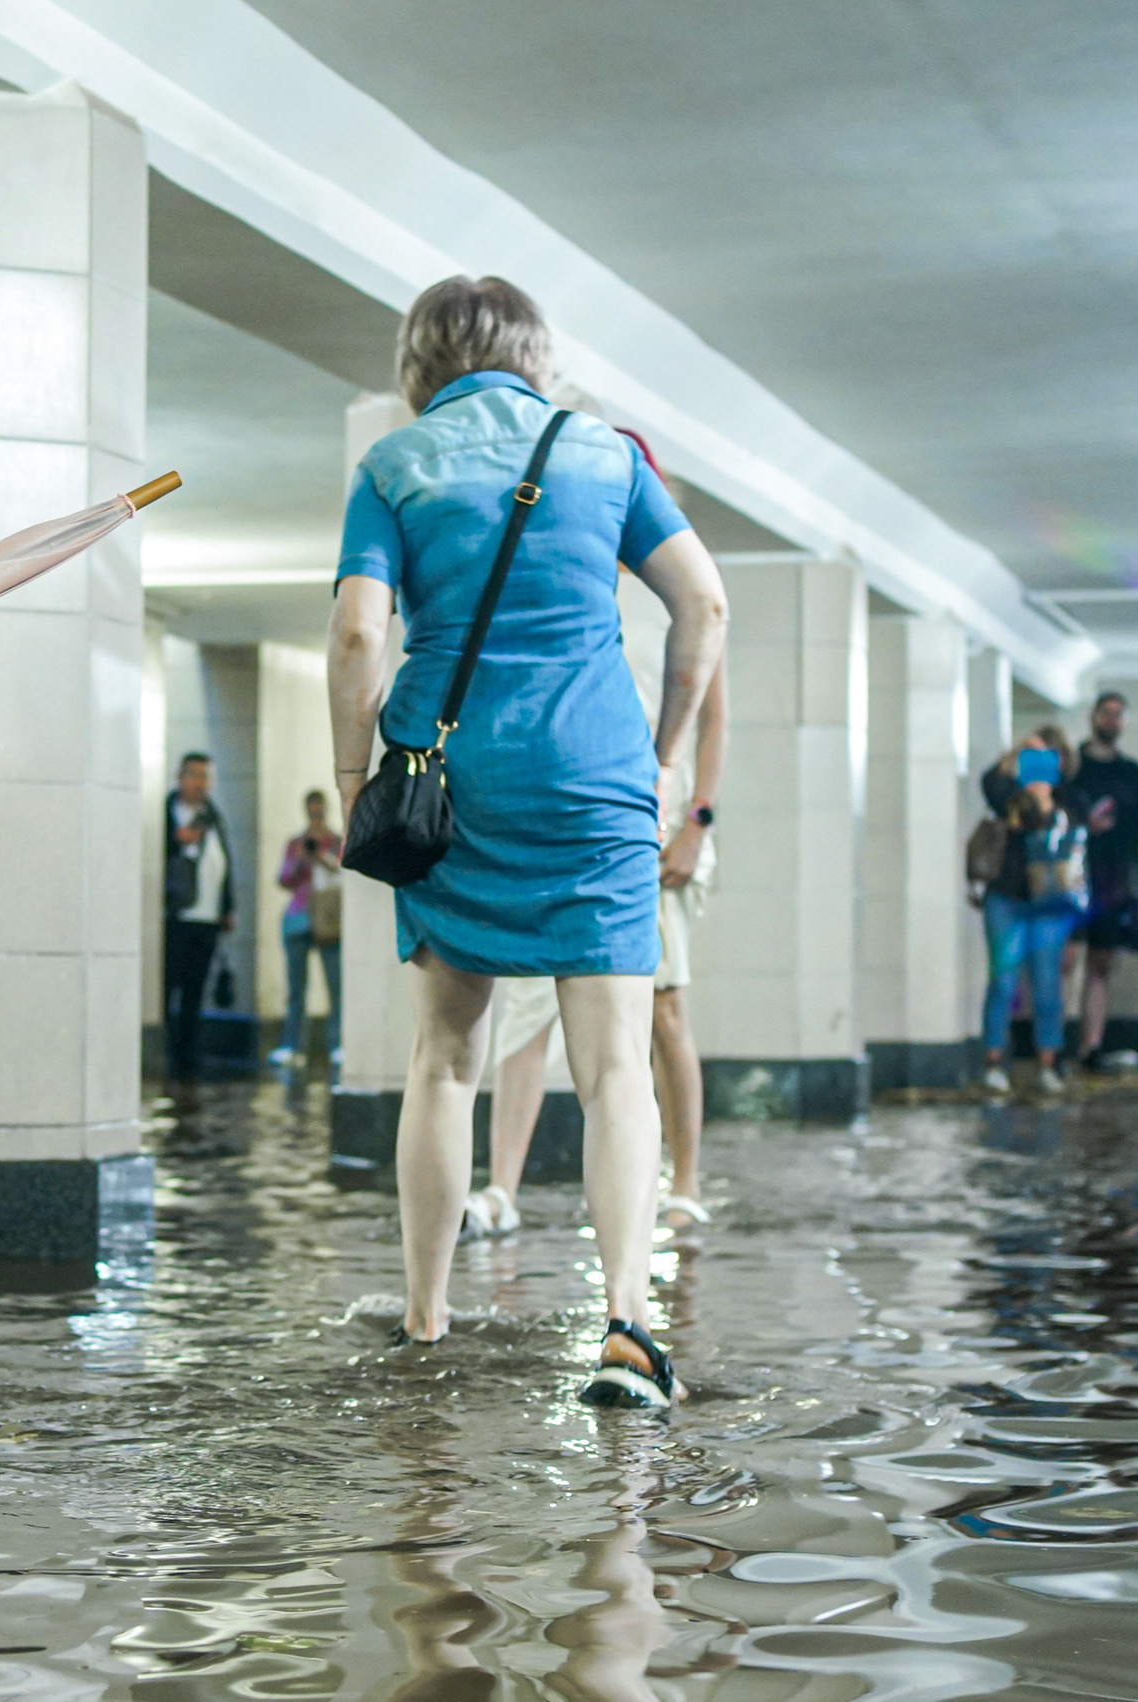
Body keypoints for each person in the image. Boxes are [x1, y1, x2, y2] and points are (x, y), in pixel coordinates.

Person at [327, 274, 728, 1408]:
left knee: (445, 1060)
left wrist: (354, 778)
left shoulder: (392, 467)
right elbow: (703, 604)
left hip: (448, 782)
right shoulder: (610, 456)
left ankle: (424, 1315)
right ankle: (627, 1327)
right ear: (537, 356)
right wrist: (661, 754)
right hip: (594, 776)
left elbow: (358, 634)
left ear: (419, 365)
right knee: (614, 1070)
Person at [468, 652, 727, 1239]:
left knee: (663, 1007)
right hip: (561, 818)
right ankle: (502, 1188)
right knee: (528, 1001)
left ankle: (685, 1184)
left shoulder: (690, 602)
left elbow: (714, 718)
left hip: (654, 825)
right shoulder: (570, 596)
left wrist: (698, 820)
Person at [973, 726, 1089, 1095]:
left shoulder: (1069, 799)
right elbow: (991, 785)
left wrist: (1046, 801)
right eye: (1033, 758)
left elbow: (1075, 830)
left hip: (1049, 905)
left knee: (1047, 984)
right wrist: (1016, 758)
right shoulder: (1007, 791)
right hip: (1006, 898)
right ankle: (994, 1064)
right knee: (1003, 983)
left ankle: (1049, 1064)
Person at [1068, 692, 1138, 1071]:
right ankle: (1052, 1049)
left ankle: (1091, 1048)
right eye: (1107, 713)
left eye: (1119, 714)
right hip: (1069, 878)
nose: (1112, 720)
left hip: (1112, 882)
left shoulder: (1132, 773)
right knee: (1064, 961)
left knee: (1100, 964)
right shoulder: (1072, 767)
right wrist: (1085, 825)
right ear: (1093, 716)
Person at [162, 752, 236, 1085]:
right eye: (194, 775)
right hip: (177, 916)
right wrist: (176, 841)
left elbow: (225, 862)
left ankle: (189, 1057)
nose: (200, 783)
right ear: (180, 777)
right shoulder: (167, 813)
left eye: (206, 776)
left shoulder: (212, 816)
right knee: (169, 987)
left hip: (208, 918)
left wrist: (227, 907)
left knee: (196, 989)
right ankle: (169, 1054)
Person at [270, 791, 345, 1070]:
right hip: (299, 917)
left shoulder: (337, 842)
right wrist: (301, 858)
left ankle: (337, 1044)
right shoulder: (296, 844)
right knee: (296, 989)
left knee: (335, 987)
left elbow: (343, 874)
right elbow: (284, 879)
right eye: (312, 812)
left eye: (319, 811)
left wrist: (323, 857)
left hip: (329, 918)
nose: (316, 816)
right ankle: (292, 1046)